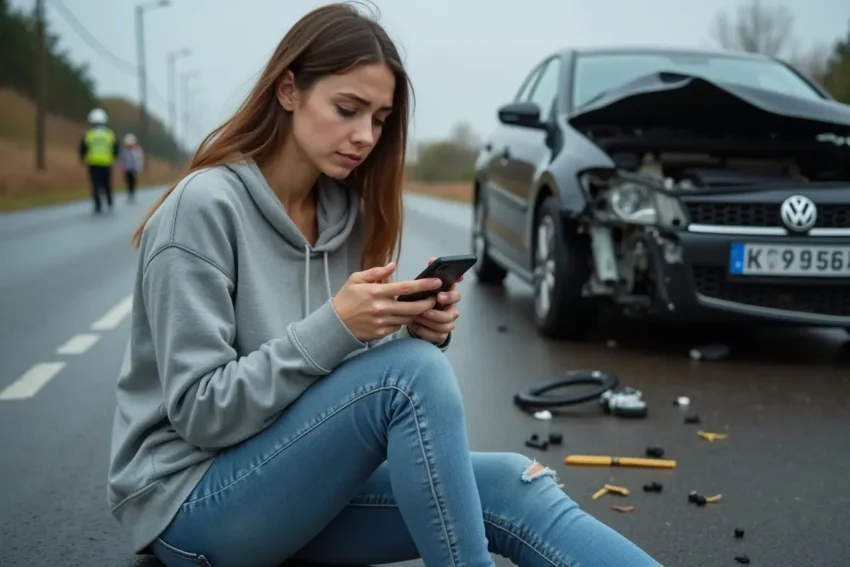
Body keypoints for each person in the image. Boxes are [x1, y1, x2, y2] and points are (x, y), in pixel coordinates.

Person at [106, 3, 662, 567]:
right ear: (289, 90)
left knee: (514, 484)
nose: (365, 135)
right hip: (194, 504)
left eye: (379, 118)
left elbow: (346, 394)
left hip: (297, 485)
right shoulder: (202, 208)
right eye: (347, 109)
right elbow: (202, 414)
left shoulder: (345, 212)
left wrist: (419, 332)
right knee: (409, 377)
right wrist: (338, 330)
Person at [79, 107, 119, 214]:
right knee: (107, 183)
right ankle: (109, 201)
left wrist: (82, 158)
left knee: (95, 184)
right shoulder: (109, 134)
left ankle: (98, 206)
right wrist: (114, 157)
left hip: (93, 163)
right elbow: (116, 147)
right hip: (106, 162)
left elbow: (83, 147)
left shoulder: (89, 134)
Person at [119, 133, 144, 203]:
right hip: (127, 169)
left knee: (133, 182)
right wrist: (122, 168)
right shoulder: (124, 151)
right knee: (128, 182)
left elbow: (140, 160)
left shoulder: (138, 150)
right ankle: (129, 193)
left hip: (134, 169)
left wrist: (138, 168)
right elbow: (121, 160)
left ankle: (132, 193)